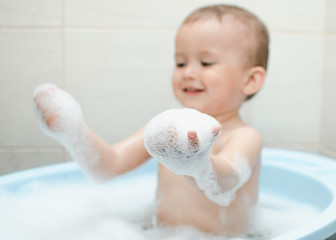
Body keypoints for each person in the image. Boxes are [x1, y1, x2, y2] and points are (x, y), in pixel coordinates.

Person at [33, 4, 269, 236]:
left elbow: (226, 180)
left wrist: (198, 164)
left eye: (206, 63)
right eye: (180, 63)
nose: (188, 72)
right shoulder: (166, 132)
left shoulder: (245, 136)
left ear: (250, 80)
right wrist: (74, 133)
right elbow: (110, 166)